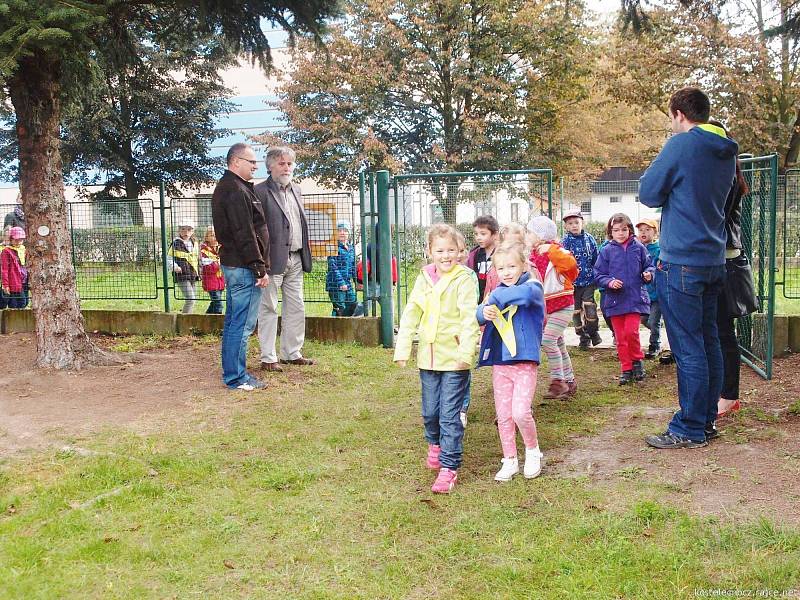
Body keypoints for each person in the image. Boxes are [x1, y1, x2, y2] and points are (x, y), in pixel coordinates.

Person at [639, 87, 738, 449]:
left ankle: (690, 427)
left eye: (671, 117)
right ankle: (706, 420)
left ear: (679, 114)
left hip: (681, 262)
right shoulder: (726, 150)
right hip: (713, 261)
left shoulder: (681, 145)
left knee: (688, 348)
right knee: (709, 342)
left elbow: (649, 193)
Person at [393, 224, 479, 494]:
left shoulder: (465, 278)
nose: (445, 256)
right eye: (440, 250)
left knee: (449, 415)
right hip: (428, 357)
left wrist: (466, 353)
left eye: (451, 250)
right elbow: (412, 311)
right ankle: (435, 443)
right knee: (430, 412)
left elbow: (469, 318)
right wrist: (403, 347)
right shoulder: (424, 277)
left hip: (455, 358)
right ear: (430, 251)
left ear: (460, 251)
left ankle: (449, 467)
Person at [476, 242, 546, 481]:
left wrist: (492, 301)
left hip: (524, 362)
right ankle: (510, 459)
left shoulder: (532, 287)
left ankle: (533, 450)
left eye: (512, 266)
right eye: (501, 268)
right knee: (504, 415)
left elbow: (522, 296)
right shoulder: (497, 293)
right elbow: (478, 314)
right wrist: (484, 311)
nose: (506, 272)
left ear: (523, 265)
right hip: (500, 362)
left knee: (520, 412)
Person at [211, 142, 271, 391]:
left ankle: (234, 374)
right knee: (242, 323)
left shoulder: (234, 187)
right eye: (251, 162)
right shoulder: (234, 190)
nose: (256, 166)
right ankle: (237, 378)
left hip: (238, 264)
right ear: (236, 162)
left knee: (235, 321)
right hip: (243, 267)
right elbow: (244, 232)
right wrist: (258, 267)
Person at [255, 145, 315, 372]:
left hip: (296, 258)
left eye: (289, 163)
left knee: (296, 306)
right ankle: (268, 357)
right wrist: (260, 262)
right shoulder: (259, 192)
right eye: (281, 163)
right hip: (272, 261)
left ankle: (291, 352)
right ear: (270, 166)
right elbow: (257, 229)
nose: (286, 167)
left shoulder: (296, 190)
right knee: (268, 308)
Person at [594, 213, 654, 385]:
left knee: (631, 332)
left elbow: (649, 265)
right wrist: (610, 282)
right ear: (610, 232)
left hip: (635, 298)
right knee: (620, 337)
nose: (620, 233)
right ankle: (626, 368)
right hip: (614, 301)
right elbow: (598, 274)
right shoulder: (606, 251)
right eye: (616, 230)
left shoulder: (639, 247)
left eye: (624, 229)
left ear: (630, 230)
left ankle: (637, 362)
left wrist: (649, 274)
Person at [527, 215, 579, 399]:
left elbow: (572, 266)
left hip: (563, 304)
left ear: (540, 235)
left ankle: (558, 381)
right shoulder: (532, 254)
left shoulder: (557, 251)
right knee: (558, 344)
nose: (527, 236)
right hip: (546, 307)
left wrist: (551, 250)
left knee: (547, 340)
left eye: (530, 232)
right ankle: (570, 381)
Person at [717, 157, 751, 419]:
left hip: (726, 263)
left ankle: (729, 396)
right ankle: (723, 393)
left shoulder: (727, 178)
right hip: (719, 261)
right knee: (719, 333)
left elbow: (717, 218)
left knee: (724, 333)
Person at [560, 210, 601, 350]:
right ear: (566, 226)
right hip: (572, 283)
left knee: (589, 307)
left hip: (589, 281)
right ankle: (583, 337)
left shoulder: (589, 239)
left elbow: (597, 258)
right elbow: (561, 261)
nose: (574, 226)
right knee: (576, 311)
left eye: (576, 222)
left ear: (582, 223)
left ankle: (593, 332)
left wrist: (598, 274)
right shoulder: (565, 242)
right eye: (570, 223)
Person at [636, 218, 663, 358]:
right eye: (641, 230)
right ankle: (656, 330)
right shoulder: (637, 248)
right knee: (644, 320)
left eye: (647, 230)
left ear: (655, 233)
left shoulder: (658, 250)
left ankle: (655, 345)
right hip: (642, 294)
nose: (643, 233)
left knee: (653, 321)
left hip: (656, 293)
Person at [326, 220, 358, 317]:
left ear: (349, 233)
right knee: (339, 309)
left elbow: (353, 266)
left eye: (345, 230)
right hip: (335, 284)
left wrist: (357, 282)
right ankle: (335, 329)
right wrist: (341, 283)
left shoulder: (351, 248)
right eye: (339, 230)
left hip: (347, 283)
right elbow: (333, 267)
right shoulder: (333, 247)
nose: (342, 233)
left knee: (353, 305)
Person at [169, 222, 199, 314]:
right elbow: (168, 258)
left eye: (189, 230)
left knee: (193, 299)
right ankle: (184, 320)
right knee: (191, 299)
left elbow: (198, 258)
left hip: (193, 274)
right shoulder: (176, 243)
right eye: (183, 229)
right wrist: (175, 266)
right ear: (179, 230)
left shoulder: (194, 243)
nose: (186, 232)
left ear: (192, 231)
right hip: (181, 274)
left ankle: (188, 318)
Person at [467, 215, 499, 302]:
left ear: (495, 234)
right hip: (478, 298)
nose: (478, 237)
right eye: (476, 234)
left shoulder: (501, 253)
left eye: (483, 234)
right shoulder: (474, 254)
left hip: (496, 298)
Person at [1, 226, 29, 309]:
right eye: (16, 239)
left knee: (25, 302)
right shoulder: (6, 251)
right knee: (18, 303)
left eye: (21, 239)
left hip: (25, 282)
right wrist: (6, 285)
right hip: (14, 282)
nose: (19, 242)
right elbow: (4, 270)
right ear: (10, 239)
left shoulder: (24, 249)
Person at [200, 225, 225, 315]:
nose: (215, 237)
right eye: (212, 235)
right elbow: (208, 266)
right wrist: (219, 263)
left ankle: (204, 320)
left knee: (214, 303)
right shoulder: (204, 250)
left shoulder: (220, 248)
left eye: (217, 235)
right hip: (211, 281)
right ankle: (217, 325)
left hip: (220, 281)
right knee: (218, 305)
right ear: (206, 237)